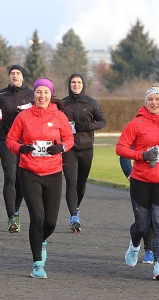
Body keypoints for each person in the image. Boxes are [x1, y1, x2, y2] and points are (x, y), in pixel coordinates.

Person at [116, 82, 159, 280]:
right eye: (150, 99)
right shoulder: (136, 124)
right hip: (141, 180)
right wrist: (142, 155)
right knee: (141, 225)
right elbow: (120, 148)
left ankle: (158, 265)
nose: (154, 102)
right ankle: (134, 245)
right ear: (145, 102)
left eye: (157, 99)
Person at [6, 77, 74, 278]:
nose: (42, 96)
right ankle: (37, 264)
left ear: (51, 95)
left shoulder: (60, 116)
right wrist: (21, 148)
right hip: (29, 171)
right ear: (33, 94)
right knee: (37, 217)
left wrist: (60, 147)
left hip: (53, 172)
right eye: (38, 92)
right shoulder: (24, 117)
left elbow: (69, 139)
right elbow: (10, 139)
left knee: (50, 222)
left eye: (46, 92)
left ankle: (41, 240)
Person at [0, 65, 34, 233]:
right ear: (9, 77)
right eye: (12, 73)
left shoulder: (31, 95)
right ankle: (11, 216)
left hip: (26, 143)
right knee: (10, 177)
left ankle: (15, 210)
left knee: (21, 180)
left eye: (18, 73)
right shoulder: (1, 94)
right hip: (7, 140)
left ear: (23, 76)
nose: (15, 76)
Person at [61, 73, 107, 232]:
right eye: (73, 82)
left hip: (86, 148)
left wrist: (86, 127)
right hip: (69, 149)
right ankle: (73, 216)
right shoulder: (62, 104)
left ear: (83, 85)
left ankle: (77, 207)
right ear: (69, 84)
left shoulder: (91, 103)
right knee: (71, 181)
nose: (76, 84)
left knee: (81, 183)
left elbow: (103, 121)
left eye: (79, 82)